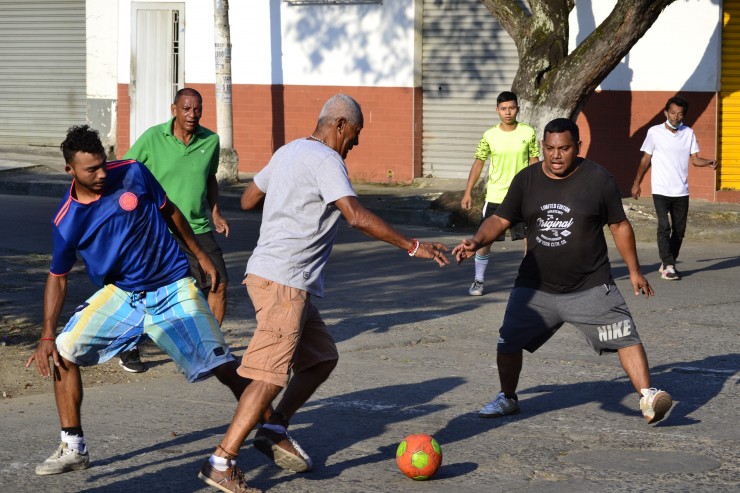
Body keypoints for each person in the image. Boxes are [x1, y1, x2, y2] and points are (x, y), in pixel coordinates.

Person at [197, 94, 449, 493]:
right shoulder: (327, 161)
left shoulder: (289, 151)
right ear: (340, 126)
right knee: (267, 376)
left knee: (321, 358)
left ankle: (275, 426)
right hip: (285, 281)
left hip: (277, 277)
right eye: (357, 134)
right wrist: (414, 246)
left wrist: (289, 201)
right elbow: (355, 215)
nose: (357, 143)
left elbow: (248, 199)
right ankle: (221, 461)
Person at [26, 125, 255, 476]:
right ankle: (73, 447)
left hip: (172, 286)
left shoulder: (132, 172)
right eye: (92, 170)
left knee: (221, 364)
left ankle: (273, 427)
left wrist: (201, 255)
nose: (102, 174)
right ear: (70, 170)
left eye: (103, 164)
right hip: (123, 294)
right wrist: (45, 335)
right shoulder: (67, 219)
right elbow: (57, 277)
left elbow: (171, 211)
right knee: (62, 349)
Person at [453, 118, 673, 426]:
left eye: (564, 148)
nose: (556, 156)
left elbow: (619, 225)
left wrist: (634, 270)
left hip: (591, 285)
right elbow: (500, 219)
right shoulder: (527, 180)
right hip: (536, 288)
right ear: (542, 147)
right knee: (508, 342)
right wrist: (476, 240)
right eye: (550, 148)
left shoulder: (598, 179)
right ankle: (508, 398)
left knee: (625, 334)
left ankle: (648, 397)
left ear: (577, 147)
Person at [118, 87, 230, 372]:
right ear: (174, 110)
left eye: (197, 109)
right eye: (186, 109)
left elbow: (210, 178)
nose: (192, 115)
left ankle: (208, 348)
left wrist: (215, 210)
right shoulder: (153, 137)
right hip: (156, 227)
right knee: (142, 289)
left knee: (218, 282)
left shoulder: (211, 140)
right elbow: (126, 171)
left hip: (196, 226)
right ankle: (128, 347)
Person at [460, 91, 540, 296]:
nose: (508, 112)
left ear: (517, 109)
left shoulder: (528, 132)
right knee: (484, 240)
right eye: (503, 108)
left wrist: (539, 189)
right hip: (495, 196)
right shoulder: (489, 135)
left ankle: (527, 280)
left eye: (511, 108)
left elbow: (534, 162)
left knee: (529, 239)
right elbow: (479, 163)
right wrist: (467, 192)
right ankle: (478, 281)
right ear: (497, 110)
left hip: (522, 196)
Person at [631, 96, 718, 281]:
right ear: (665, 113)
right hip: (661, 189)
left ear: (683, 115)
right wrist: (637, 183)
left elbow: (695, 159)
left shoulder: (688, 133)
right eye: (672, 112)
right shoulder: (654, 132)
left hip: (681, 191)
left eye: (679, 114)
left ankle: (668, 262)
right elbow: (645, 160)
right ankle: (669, 265)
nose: (675, 116)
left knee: (679, 230)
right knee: (664, 226)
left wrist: (708, 162)